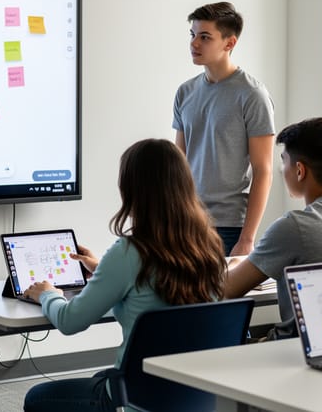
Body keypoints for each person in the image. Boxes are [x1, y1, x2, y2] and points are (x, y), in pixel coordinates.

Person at [22, 138, 226, 412]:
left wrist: (48, 294)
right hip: (198, 396)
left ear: (132, 190)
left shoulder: (129, 252)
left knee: (37, 397)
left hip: (139, 399)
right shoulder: (209, 246)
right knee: (100, 378)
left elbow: (70, 321)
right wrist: (102, 270)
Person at [223, 117, 322, 339]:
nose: (282, 170)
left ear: (300, 170)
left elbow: (227, 290)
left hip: (296, 354)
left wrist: (231, 265)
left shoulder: (294, 226)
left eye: (284, 161)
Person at [173, 1, 275, 256]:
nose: (194, 43)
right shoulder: (185, 92)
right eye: (193, 35)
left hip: (230, 228)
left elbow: (264, 171)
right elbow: (179, 163)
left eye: (205, 37)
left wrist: (247, 239)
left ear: (229, 43)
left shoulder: (252, 95)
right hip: (187, 223)